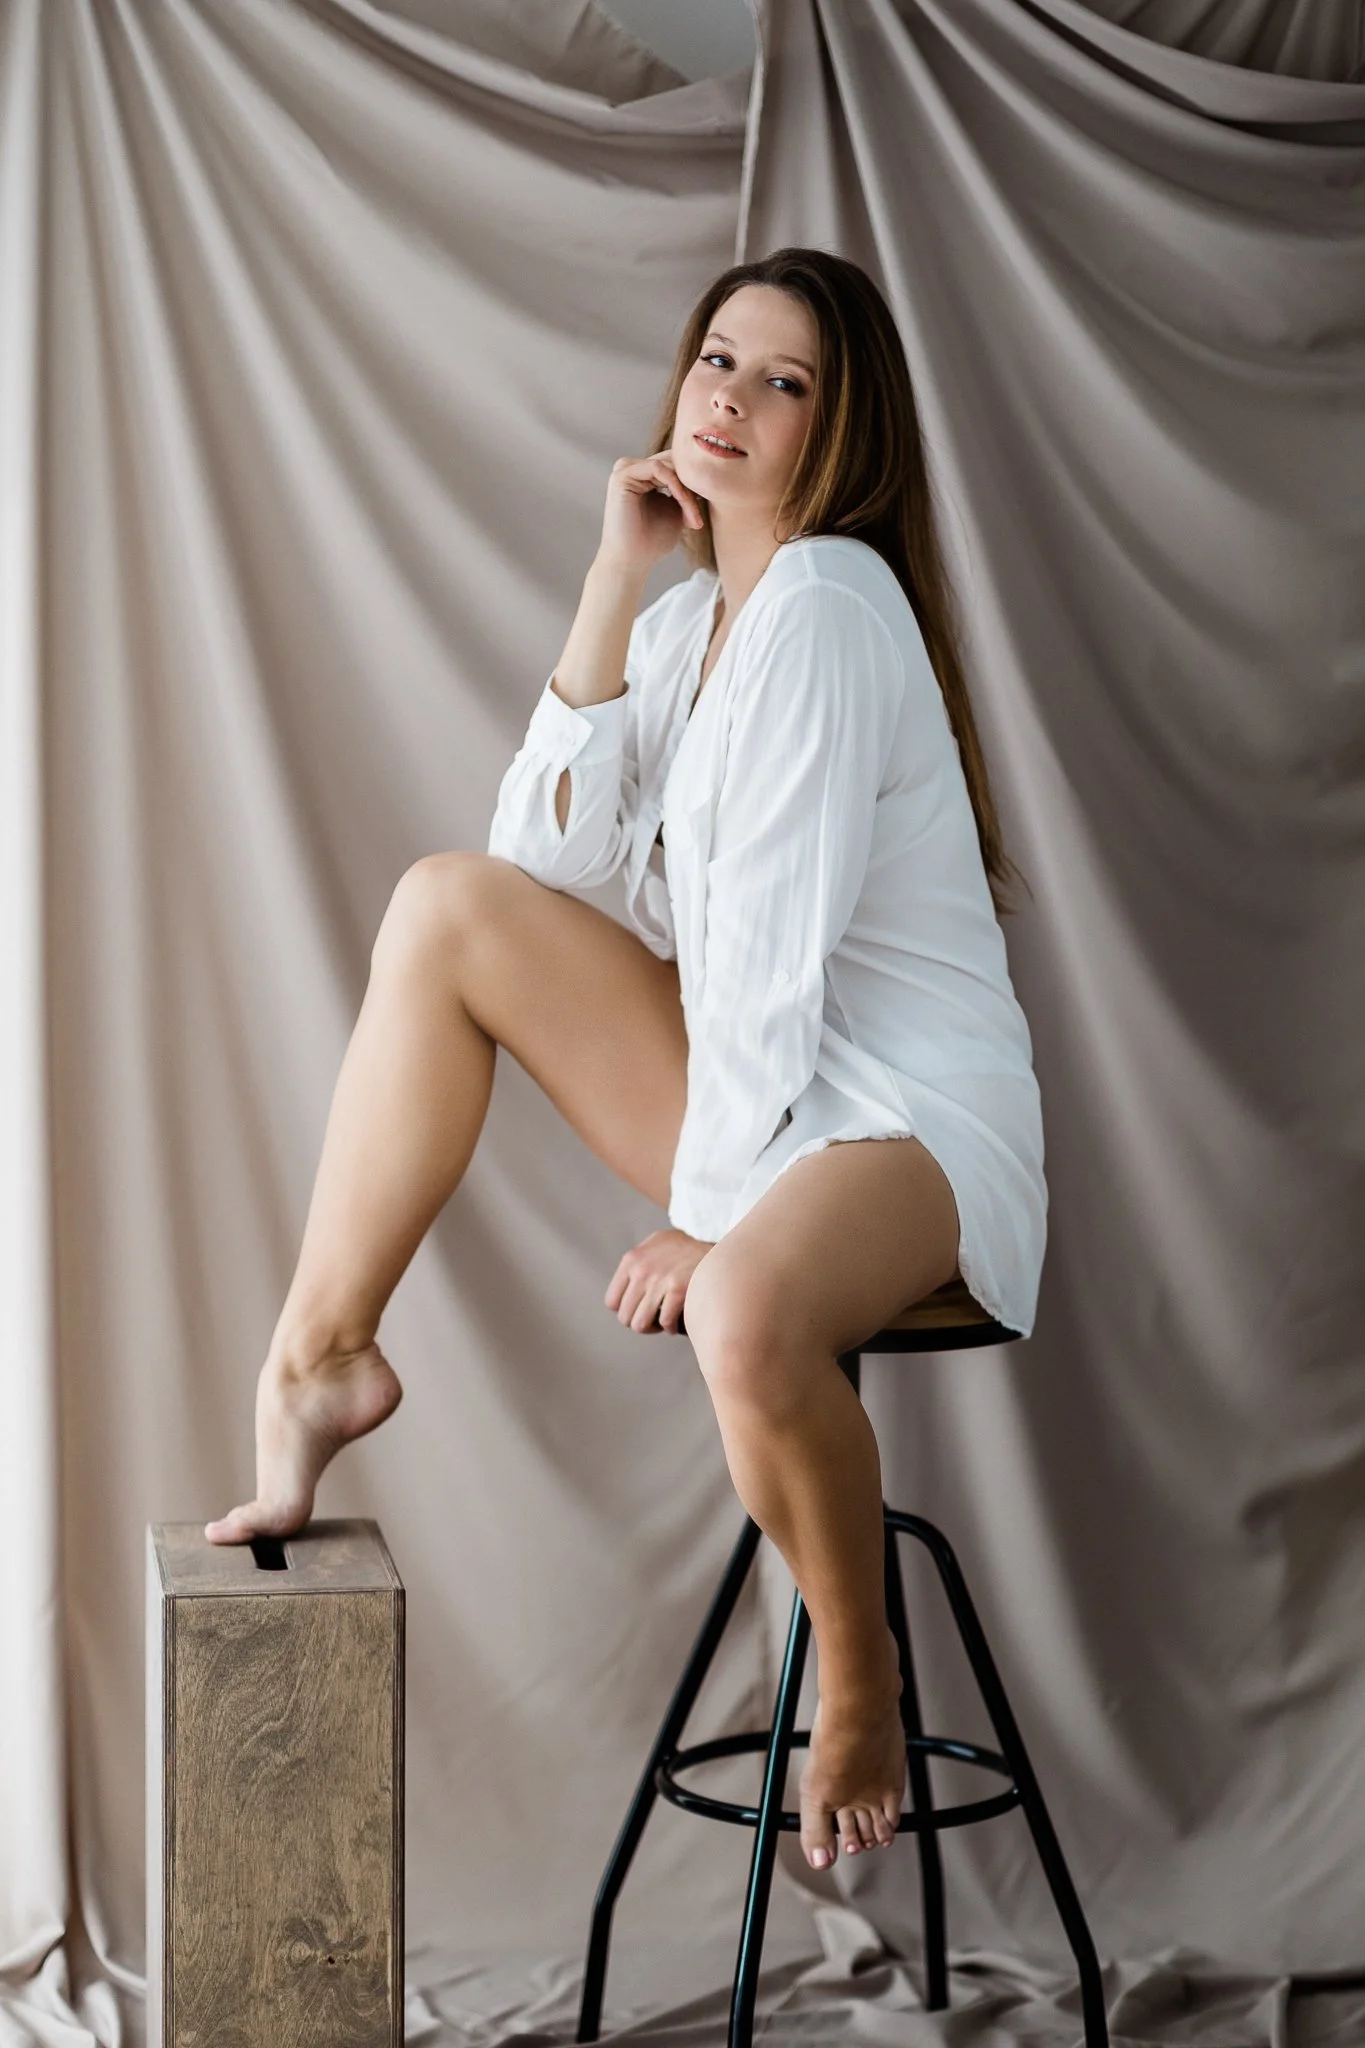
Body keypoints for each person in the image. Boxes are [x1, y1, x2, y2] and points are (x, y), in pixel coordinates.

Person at [205, 247, 1046, 1878]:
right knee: (445, 910)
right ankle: (318, 1360)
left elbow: (781, 967)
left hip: (906, 1120)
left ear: (837, 426)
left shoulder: (823, 604)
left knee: (739, 1307)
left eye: (782, 381)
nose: (728, 398)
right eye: (716, 361)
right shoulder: (695, 621)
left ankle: (855, 1676)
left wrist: (722, 1219)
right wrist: (614, 578)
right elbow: (541, 863)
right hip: (776, 1096)